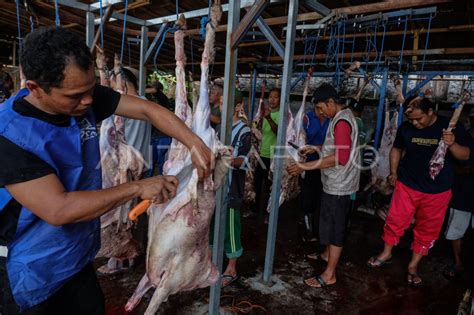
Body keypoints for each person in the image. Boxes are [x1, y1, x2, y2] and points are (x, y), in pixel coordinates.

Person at [0, 27, 212, 314]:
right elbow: (58, 209)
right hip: (30, 269)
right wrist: (137, 187)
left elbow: (149, 110)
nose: (88, 101)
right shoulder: (10, 135)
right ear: (35, 88)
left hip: (75, 258)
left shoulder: (84, 98)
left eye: (90, 90)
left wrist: (193, 141)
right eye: (75, 95)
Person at [366, 96, 471, 287]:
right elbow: (396, 149)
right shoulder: (406, 128)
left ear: (430, 112)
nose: (415, 123)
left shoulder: (450, 126)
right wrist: (393, 172)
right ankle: (386, 252)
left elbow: (466, 155)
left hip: (437, 191)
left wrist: (452, 143)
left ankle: (413, 266)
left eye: (419, 118)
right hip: (407, 184)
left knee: (427, 230)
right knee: (395, 220)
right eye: (411, 119)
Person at [287, 83, 361, 288]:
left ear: (330, 103)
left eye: (320, 108)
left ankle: (330, 274)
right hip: (334, 182)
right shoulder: (339, 119)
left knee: (336, 228)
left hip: (340, 185)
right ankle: (326, 253)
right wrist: (314, 147)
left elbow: (341, 157)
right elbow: (333, 146)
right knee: (328, 220)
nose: (320, 112)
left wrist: (305, 166)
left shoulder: (342, 122)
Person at [210, 96, 251, 288]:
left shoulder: (245, 131)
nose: (220, 105)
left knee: (231, 228)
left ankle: (231, 269)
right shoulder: (218, 129)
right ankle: (209, 263)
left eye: (224, 102)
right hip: (215, 186)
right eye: (220, 102)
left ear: (238, 106)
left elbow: (242, 160)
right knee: (211, 225)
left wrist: (218, 159)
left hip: (232, 187)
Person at [443, 112, 474, 279]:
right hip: (462, 193)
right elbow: (449, 163)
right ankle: (458, 263)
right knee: (456, 231)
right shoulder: (460, 135)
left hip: (464, 190)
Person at [300, 97, 329, 243]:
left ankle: (319, 232)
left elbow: (335, 146)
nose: (321, 112)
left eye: (322, 108)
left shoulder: (332, 119)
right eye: (317, 108)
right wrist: (303, 149)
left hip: (326, 165)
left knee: (321, 199)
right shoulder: (307, 118)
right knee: (308, 198)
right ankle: (308, 230)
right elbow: (301, 138)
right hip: (308, 165)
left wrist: (316, 148)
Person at [252, 88, 280, 219]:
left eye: (276, 97)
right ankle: (255, 209)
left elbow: (278, 132)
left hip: (273, 157)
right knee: (256, 184)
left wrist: (268, 117)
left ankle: (269, 214)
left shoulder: (281, 115)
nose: (272, 99)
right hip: (261, 155)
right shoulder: (263, 115)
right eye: (271, 97)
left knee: (270, 187)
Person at [120, 67, 153, 173]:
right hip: (144, 164)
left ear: (123, 84)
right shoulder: (146, 101)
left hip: (129, 166)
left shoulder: (123, 105)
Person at [149, 81, 173, 176]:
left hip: (163, 135)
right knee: (151, 161)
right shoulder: (155, 100)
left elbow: (155, 90)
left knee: (161, 162)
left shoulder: (162, 98)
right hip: (156, 135)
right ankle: (149, 180)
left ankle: (161, 180)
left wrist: (140, 89)